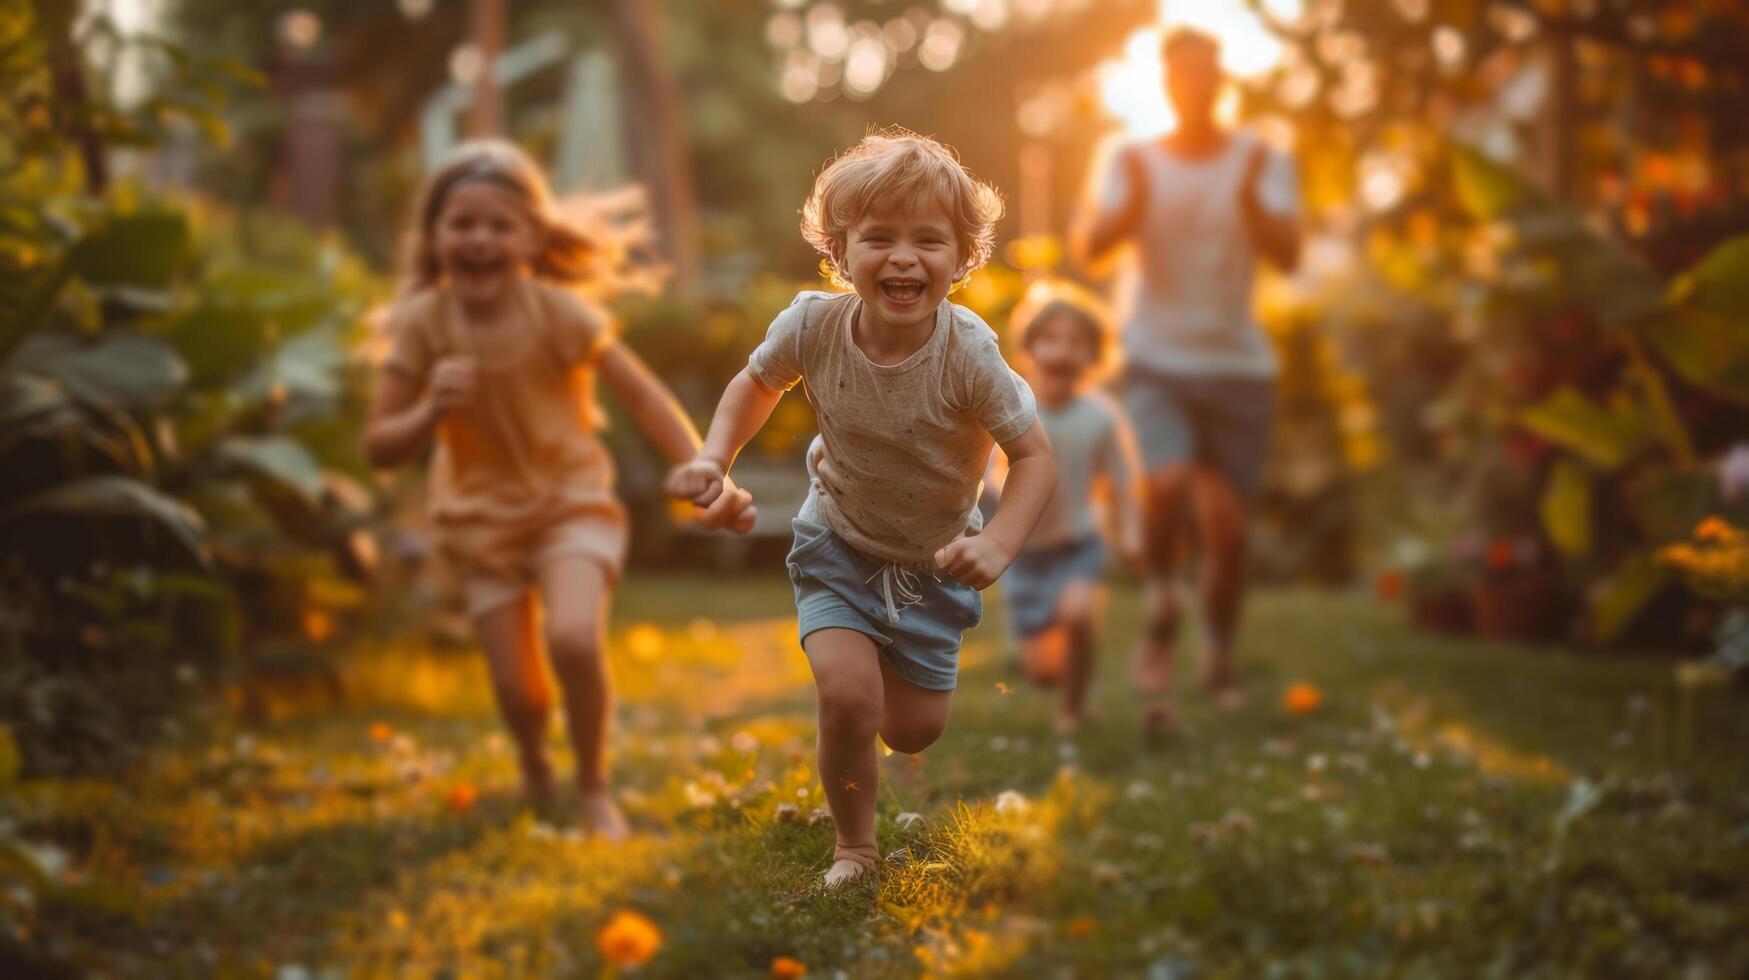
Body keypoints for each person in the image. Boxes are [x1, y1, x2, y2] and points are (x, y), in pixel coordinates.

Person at [665, 130, 1056, 887]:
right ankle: (855, 848)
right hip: (836, 540)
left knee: (911, 730)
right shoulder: (812, 326)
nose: (902, 257)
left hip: (934, 563)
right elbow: (755, 384)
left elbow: (1036, 457)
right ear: (841, 253)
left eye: (928, 241)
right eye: (878, 237)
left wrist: (999, 544)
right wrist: (716, 457)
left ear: (961, 258)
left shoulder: (969, 353)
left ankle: (883, 683)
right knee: (846, 699)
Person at [364, 139, 752, 837]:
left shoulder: (558, 314)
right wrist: (429, 410)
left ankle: (594, 787)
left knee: (573, 639)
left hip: (570, 504)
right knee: (518, 691)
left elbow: (642, 395)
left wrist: (702, 467)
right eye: (462, 224)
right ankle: (534, 762)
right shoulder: (424, 323)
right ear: (435, 236)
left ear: (531, 238)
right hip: (478, 523)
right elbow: (379, 446)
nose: (479, 238)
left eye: (498, 224)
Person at [1072, 26, 1302, 733]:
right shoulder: (1131, 159)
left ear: (1219, 79)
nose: (1194, 87)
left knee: (1229, 534)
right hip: (1154, 357)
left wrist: (1247, 196)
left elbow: (1288, 255)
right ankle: (1165, 600)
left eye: (1205, 75)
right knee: (1163, 484)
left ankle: (1219, 653)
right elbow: (1091, 250)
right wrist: (1134, 199)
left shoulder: (1262, 158)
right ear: (1165, 83)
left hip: (1238, 366)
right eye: (1180, 76)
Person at [990, 280, 1144, 733]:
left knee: (1078, 614)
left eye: (1076, 344)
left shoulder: (1099, 416)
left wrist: (1131, 533)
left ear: (1093, 357)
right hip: (1022, 551)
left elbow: (1123, 483)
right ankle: (1059, 679)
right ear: (1030, 349)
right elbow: (984, 471)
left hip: (1078, 540)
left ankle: (1072, 709)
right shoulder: (1011, 409)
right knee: (1042, 671)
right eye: (1050, 340)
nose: (1062, 351)